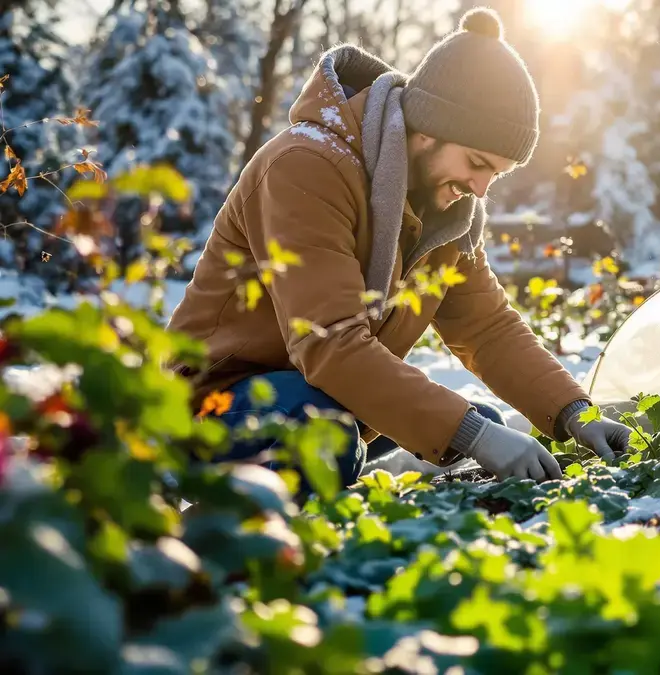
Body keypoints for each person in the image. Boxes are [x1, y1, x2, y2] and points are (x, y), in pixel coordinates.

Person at [166, 7, 630, 489]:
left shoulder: (443, 210)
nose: (481, 189)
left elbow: (486, 329)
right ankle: (235, 523)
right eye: (476, 163)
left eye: (496, 173)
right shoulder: (305, 166)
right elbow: (330, 344)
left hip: (319, 399)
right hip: (209, 406)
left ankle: (352, 475)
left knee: (480, 426)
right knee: (336, 433)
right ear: (427, 129)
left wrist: (577, 415)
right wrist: (474, 436)